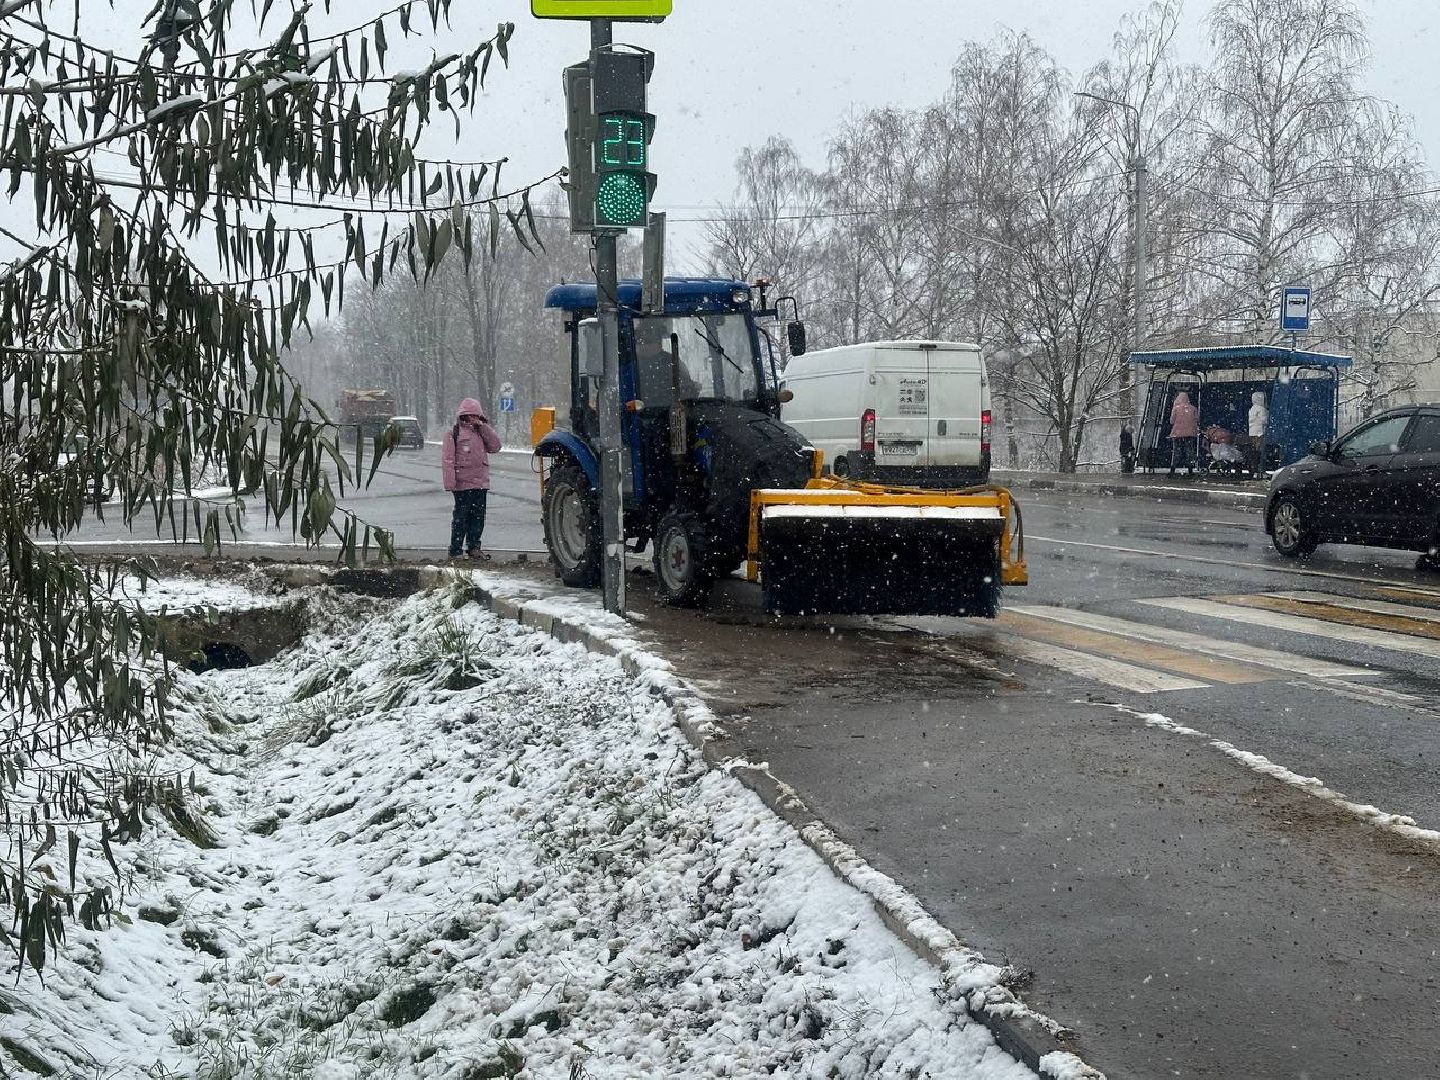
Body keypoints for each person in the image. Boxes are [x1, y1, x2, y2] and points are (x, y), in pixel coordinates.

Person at [441, 397, 502, 560]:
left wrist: (484, 427)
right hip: (462, 484)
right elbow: (448, 460)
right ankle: (455, 550)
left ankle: (474, 547)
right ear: (464, 415)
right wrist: (450, 482)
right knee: (461, 517)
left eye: (477, 415)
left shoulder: (481, 432)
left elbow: (496, 446)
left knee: (478, 517)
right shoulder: (454, 433)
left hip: (481, 483)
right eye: (471, 415)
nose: (474, 418)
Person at [1169, 390, 1199, 476]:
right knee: (1189, 451)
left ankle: (1172, 470)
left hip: (1177, 434)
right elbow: (1197, 420)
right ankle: (1190, 470)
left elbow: (1171, 421)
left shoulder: (1176, 408)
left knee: (1176, 452)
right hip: (1190, 434)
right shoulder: (1193, 408)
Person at [1247, 391, 1269, 478]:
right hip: (1260, 433)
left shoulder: (1252, 409)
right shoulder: (1261, 409)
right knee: (1261, 452)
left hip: (1252, 433)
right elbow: (1265, 421)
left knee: (1254, 453)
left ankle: (1255, 471)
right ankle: (1261, 471)